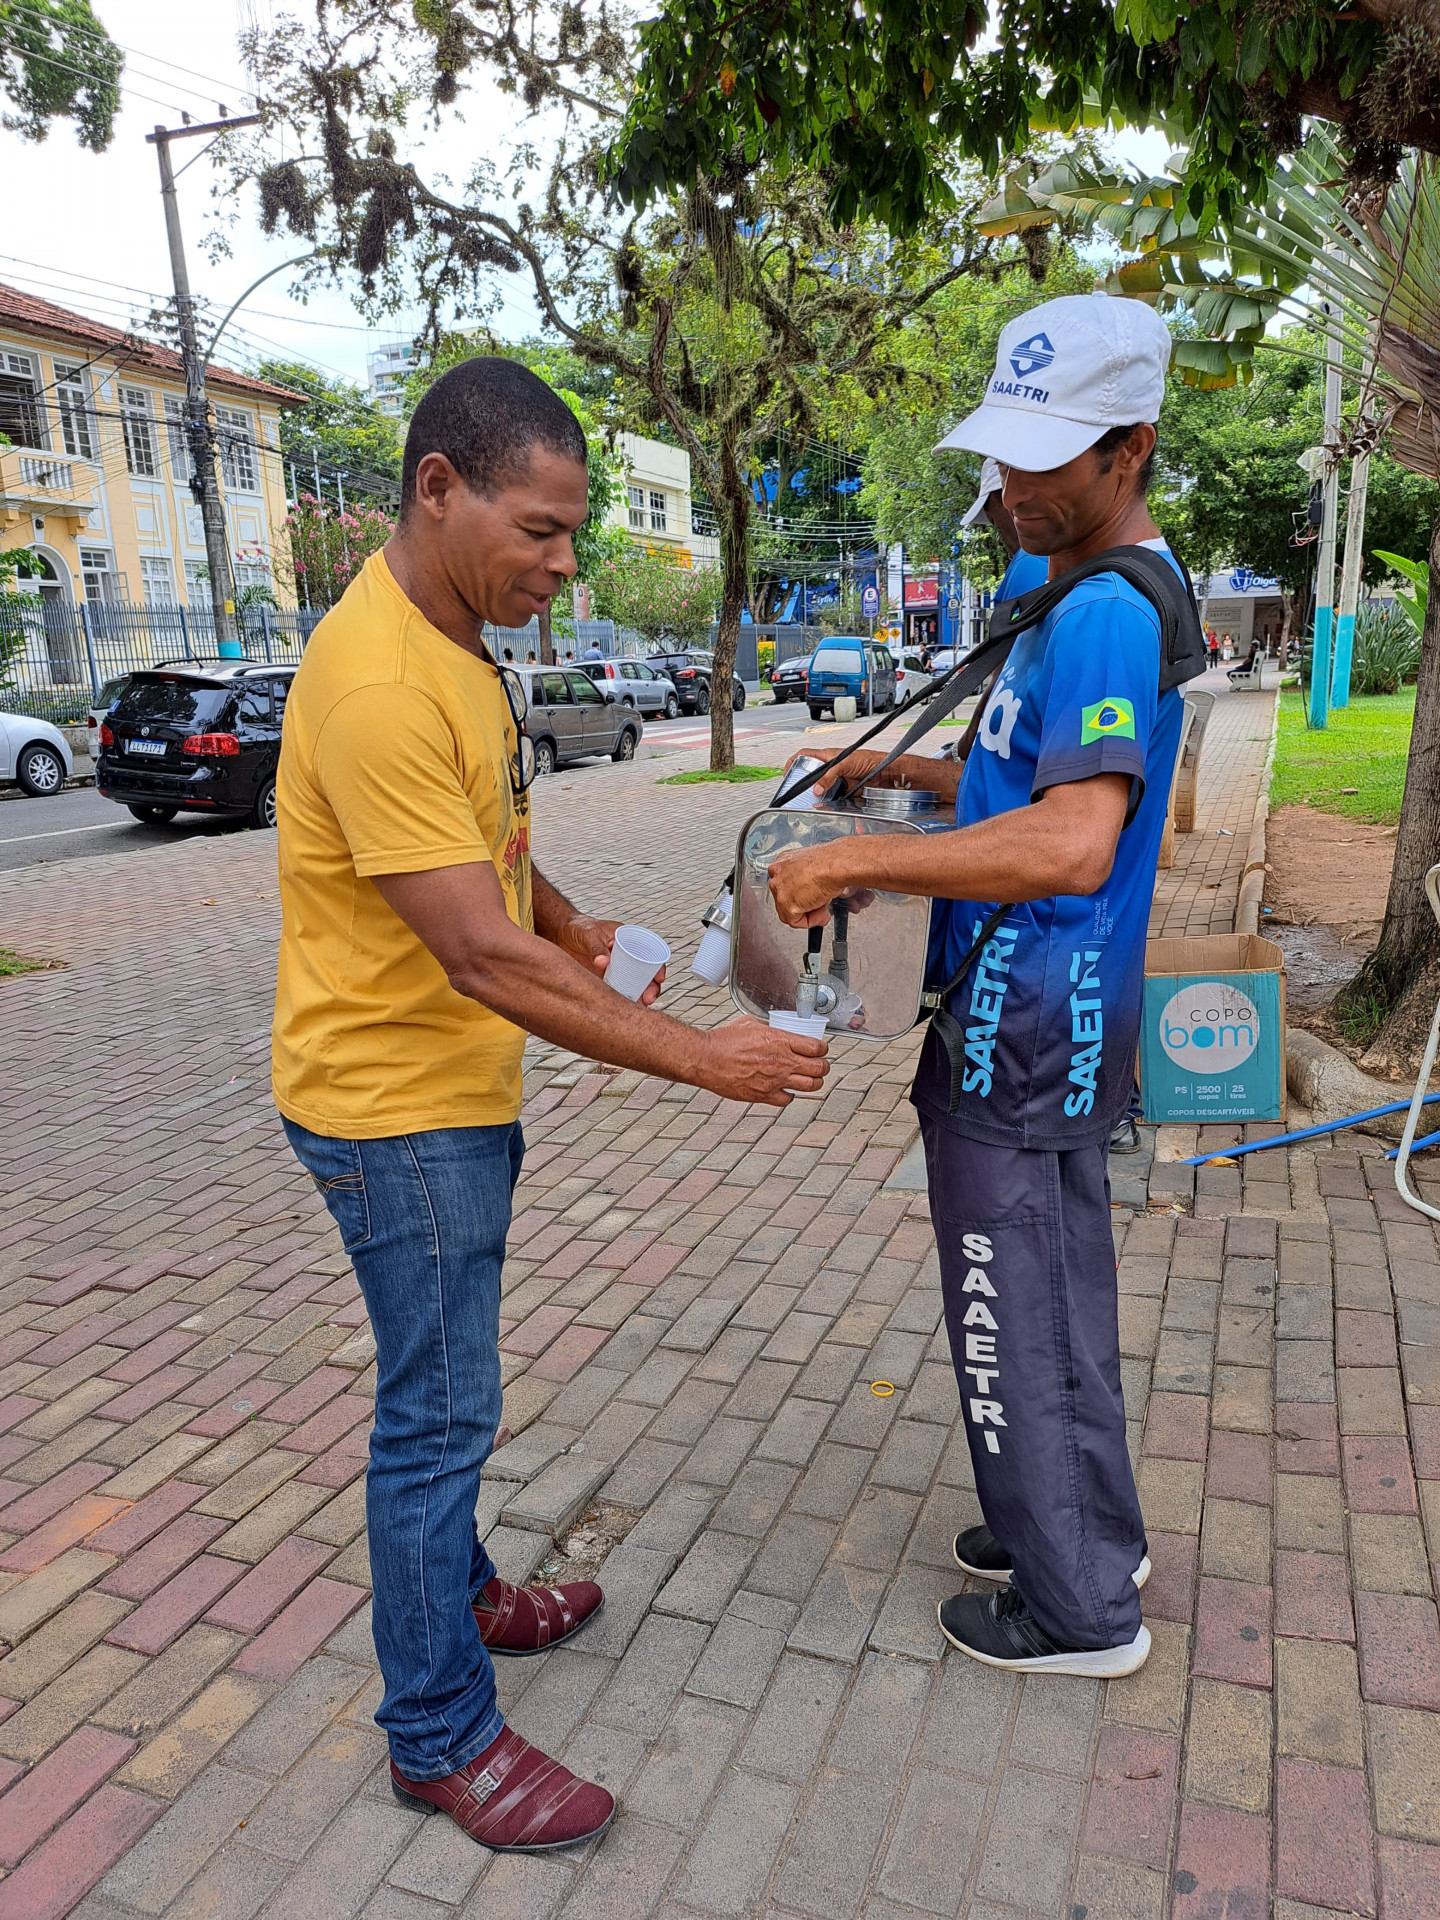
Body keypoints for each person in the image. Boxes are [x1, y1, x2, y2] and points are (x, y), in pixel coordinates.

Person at [273, 357, 828, 1853]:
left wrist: (572, 920)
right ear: (437, 489)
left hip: (446, 1086)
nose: (566, 562)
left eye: (573, 531)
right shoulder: (380, 681)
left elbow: (482, 853)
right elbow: (474, 950)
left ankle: (460, 1598)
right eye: (540, 529)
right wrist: (706, 1057)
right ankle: (438, 1734)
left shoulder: (454, 640)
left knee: (445, 1392)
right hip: (396, 1110)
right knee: (438, 1417)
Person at [769, 293, 1195, 1680]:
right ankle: (1078, 1532)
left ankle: (1078, 1613)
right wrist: (890, 770)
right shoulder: (1073, 588)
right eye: (1005, 448)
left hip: (1027, 1019)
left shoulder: (1106, 612)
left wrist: (854, 861)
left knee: (1007, 1300)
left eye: (1045, 454)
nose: (1011, 484)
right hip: (1035, 1017)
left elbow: (1073, 840)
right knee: (1056, 1293)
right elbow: (1019, 778)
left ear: (1129, 449)